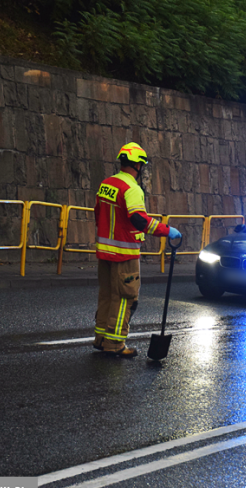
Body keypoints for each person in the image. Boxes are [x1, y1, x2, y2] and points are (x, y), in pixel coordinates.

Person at [93, 142, 181, 357]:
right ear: (138, 166)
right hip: (125, 253)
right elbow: (139, 219)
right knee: (124, 298)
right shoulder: (131, 188)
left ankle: (101, 339)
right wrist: (166, 231)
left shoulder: (106, 184)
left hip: (105, 252)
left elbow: (98, 213)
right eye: (142, 166)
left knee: (106, 295)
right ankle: (115, 345)